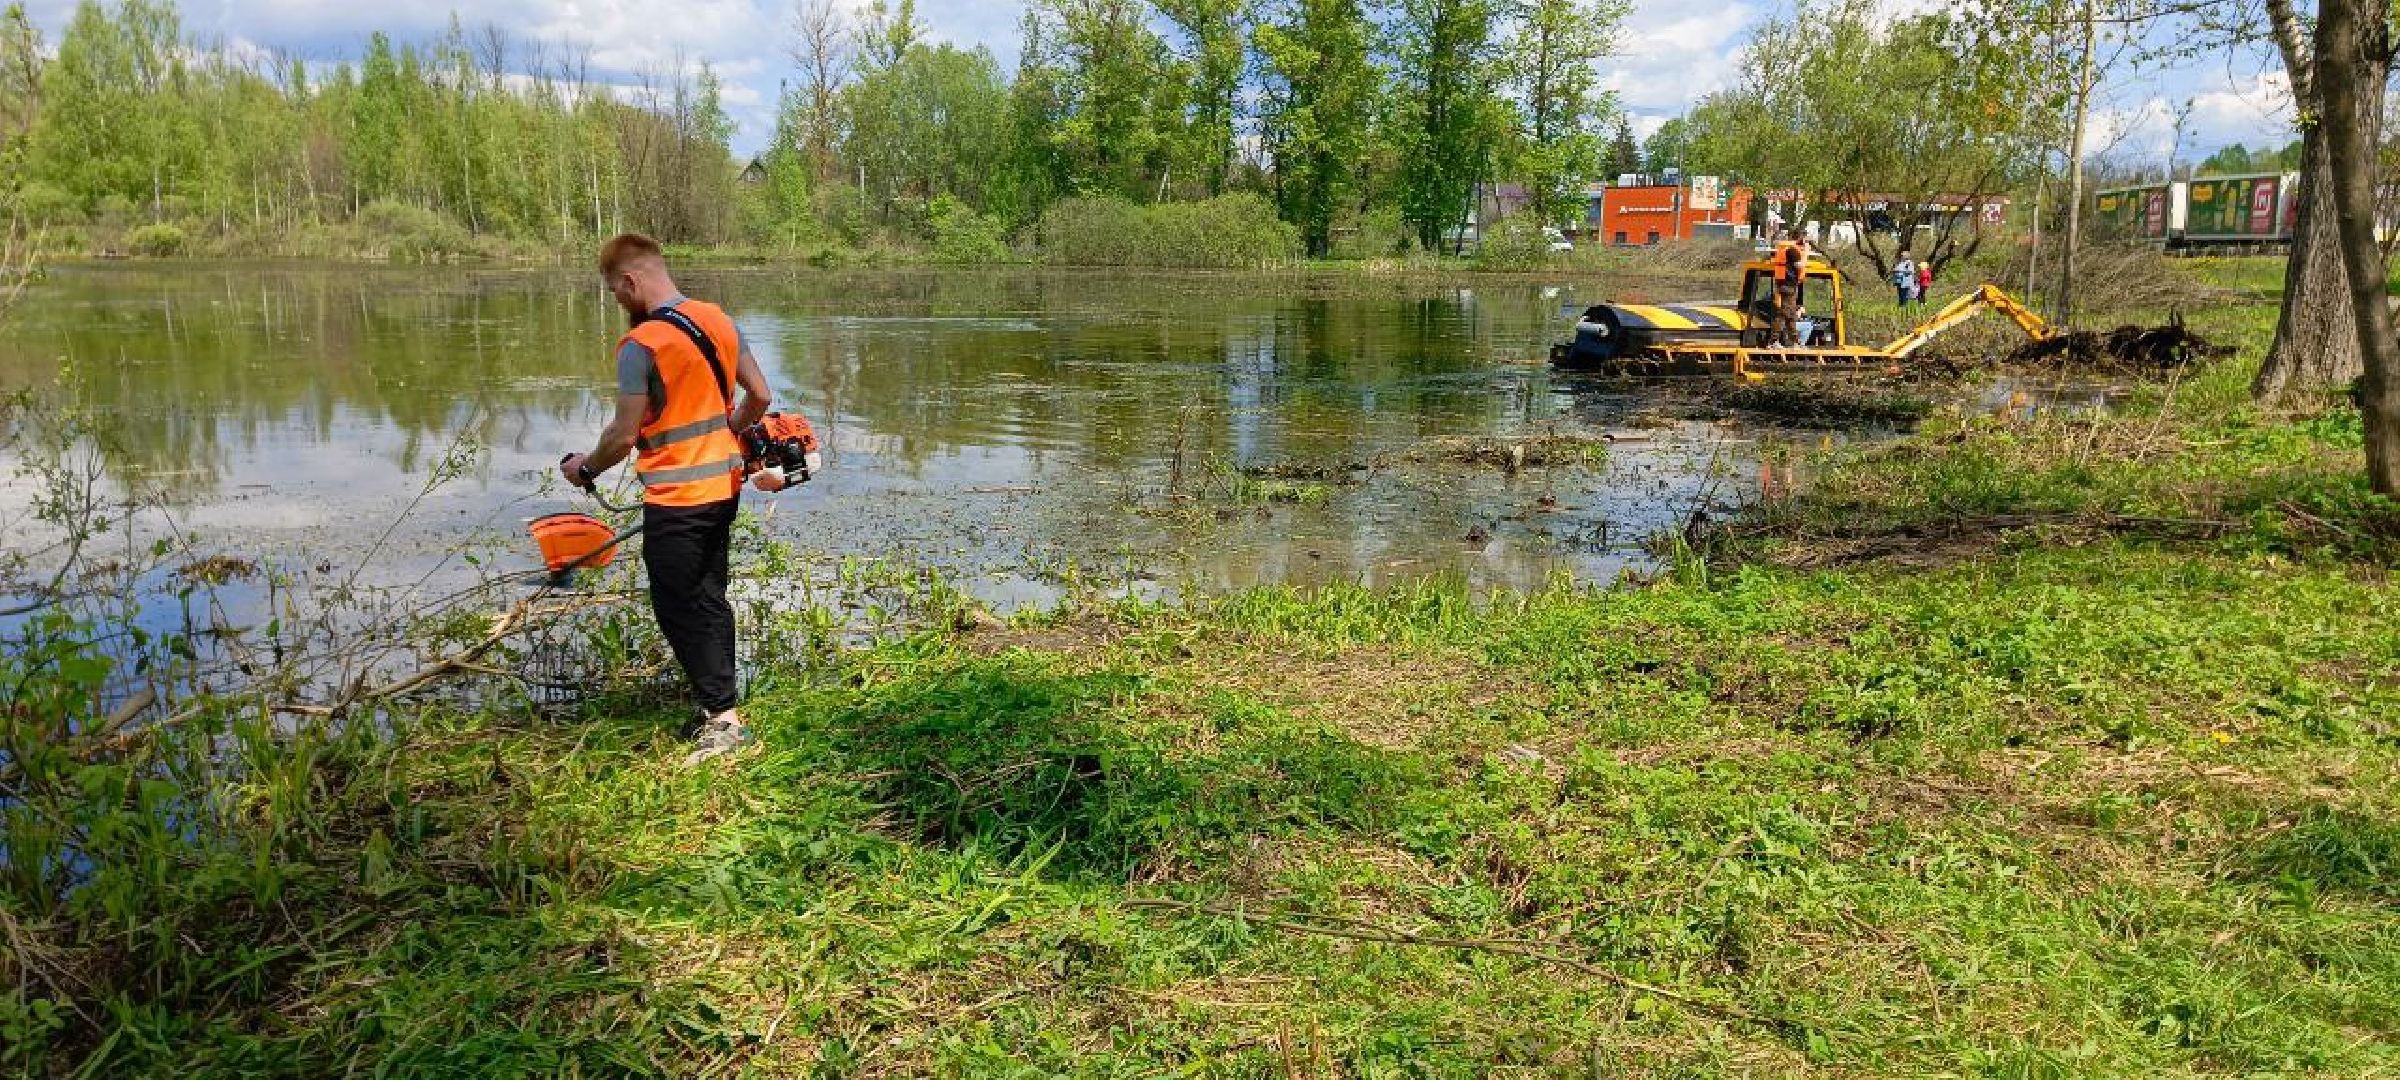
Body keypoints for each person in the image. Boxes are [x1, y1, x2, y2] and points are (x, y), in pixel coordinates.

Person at [561, 233, 774, 765]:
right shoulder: (719, 320)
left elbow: (622, 434)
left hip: (679, 496)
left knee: (680, 605)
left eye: (616, 292)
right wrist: (731, 428)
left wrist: (584, 468)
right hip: (723, 489)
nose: (618, 302)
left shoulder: (642, 345)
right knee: (707, 596)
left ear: (630, 281)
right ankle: (716, 706)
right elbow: (761, 395)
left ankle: (724, 723)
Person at [1769, 229, 1809, 347]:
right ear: (1800, 238)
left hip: (1784, 285)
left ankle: (1795, 342)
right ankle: (1773, 341)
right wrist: (1806, 253)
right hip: (1788, 286)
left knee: (1790, 314)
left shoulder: (1785, 249)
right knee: (1784, 313)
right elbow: (1800, 265)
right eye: (1805, 239)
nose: (1806, 242)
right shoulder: (1792, 250)